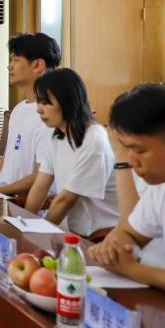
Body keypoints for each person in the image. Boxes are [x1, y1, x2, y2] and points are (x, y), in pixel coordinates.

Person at [88, 83, 165, 290]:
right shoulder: (162, 187)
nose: (131, 161)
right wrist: (111, 249)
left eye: (139, 150)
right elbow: (130, 232)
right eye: (126, 149)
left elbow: (132, 267)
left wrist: (133, 270)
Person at [24, 69, 119, 240]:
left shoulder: (94, 139)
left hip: (100, 236)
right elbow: (40, 187)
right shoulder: (57, 136)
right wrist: (24, 224)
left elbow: (66, 200)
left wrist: (38, 236)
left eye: (46, 103)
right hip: (73, 231)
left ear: (67, 102)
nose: (39, 109)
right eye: (38, 102)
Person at [0, 33, 61, 196]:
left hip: (22, 201)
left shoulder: (51, 115)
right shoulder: (19, 109)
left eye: (16, 60)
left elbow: (41, 176)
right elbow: (6, 158)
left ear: (38, 65)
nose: (9, 66)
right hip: (4, 196)